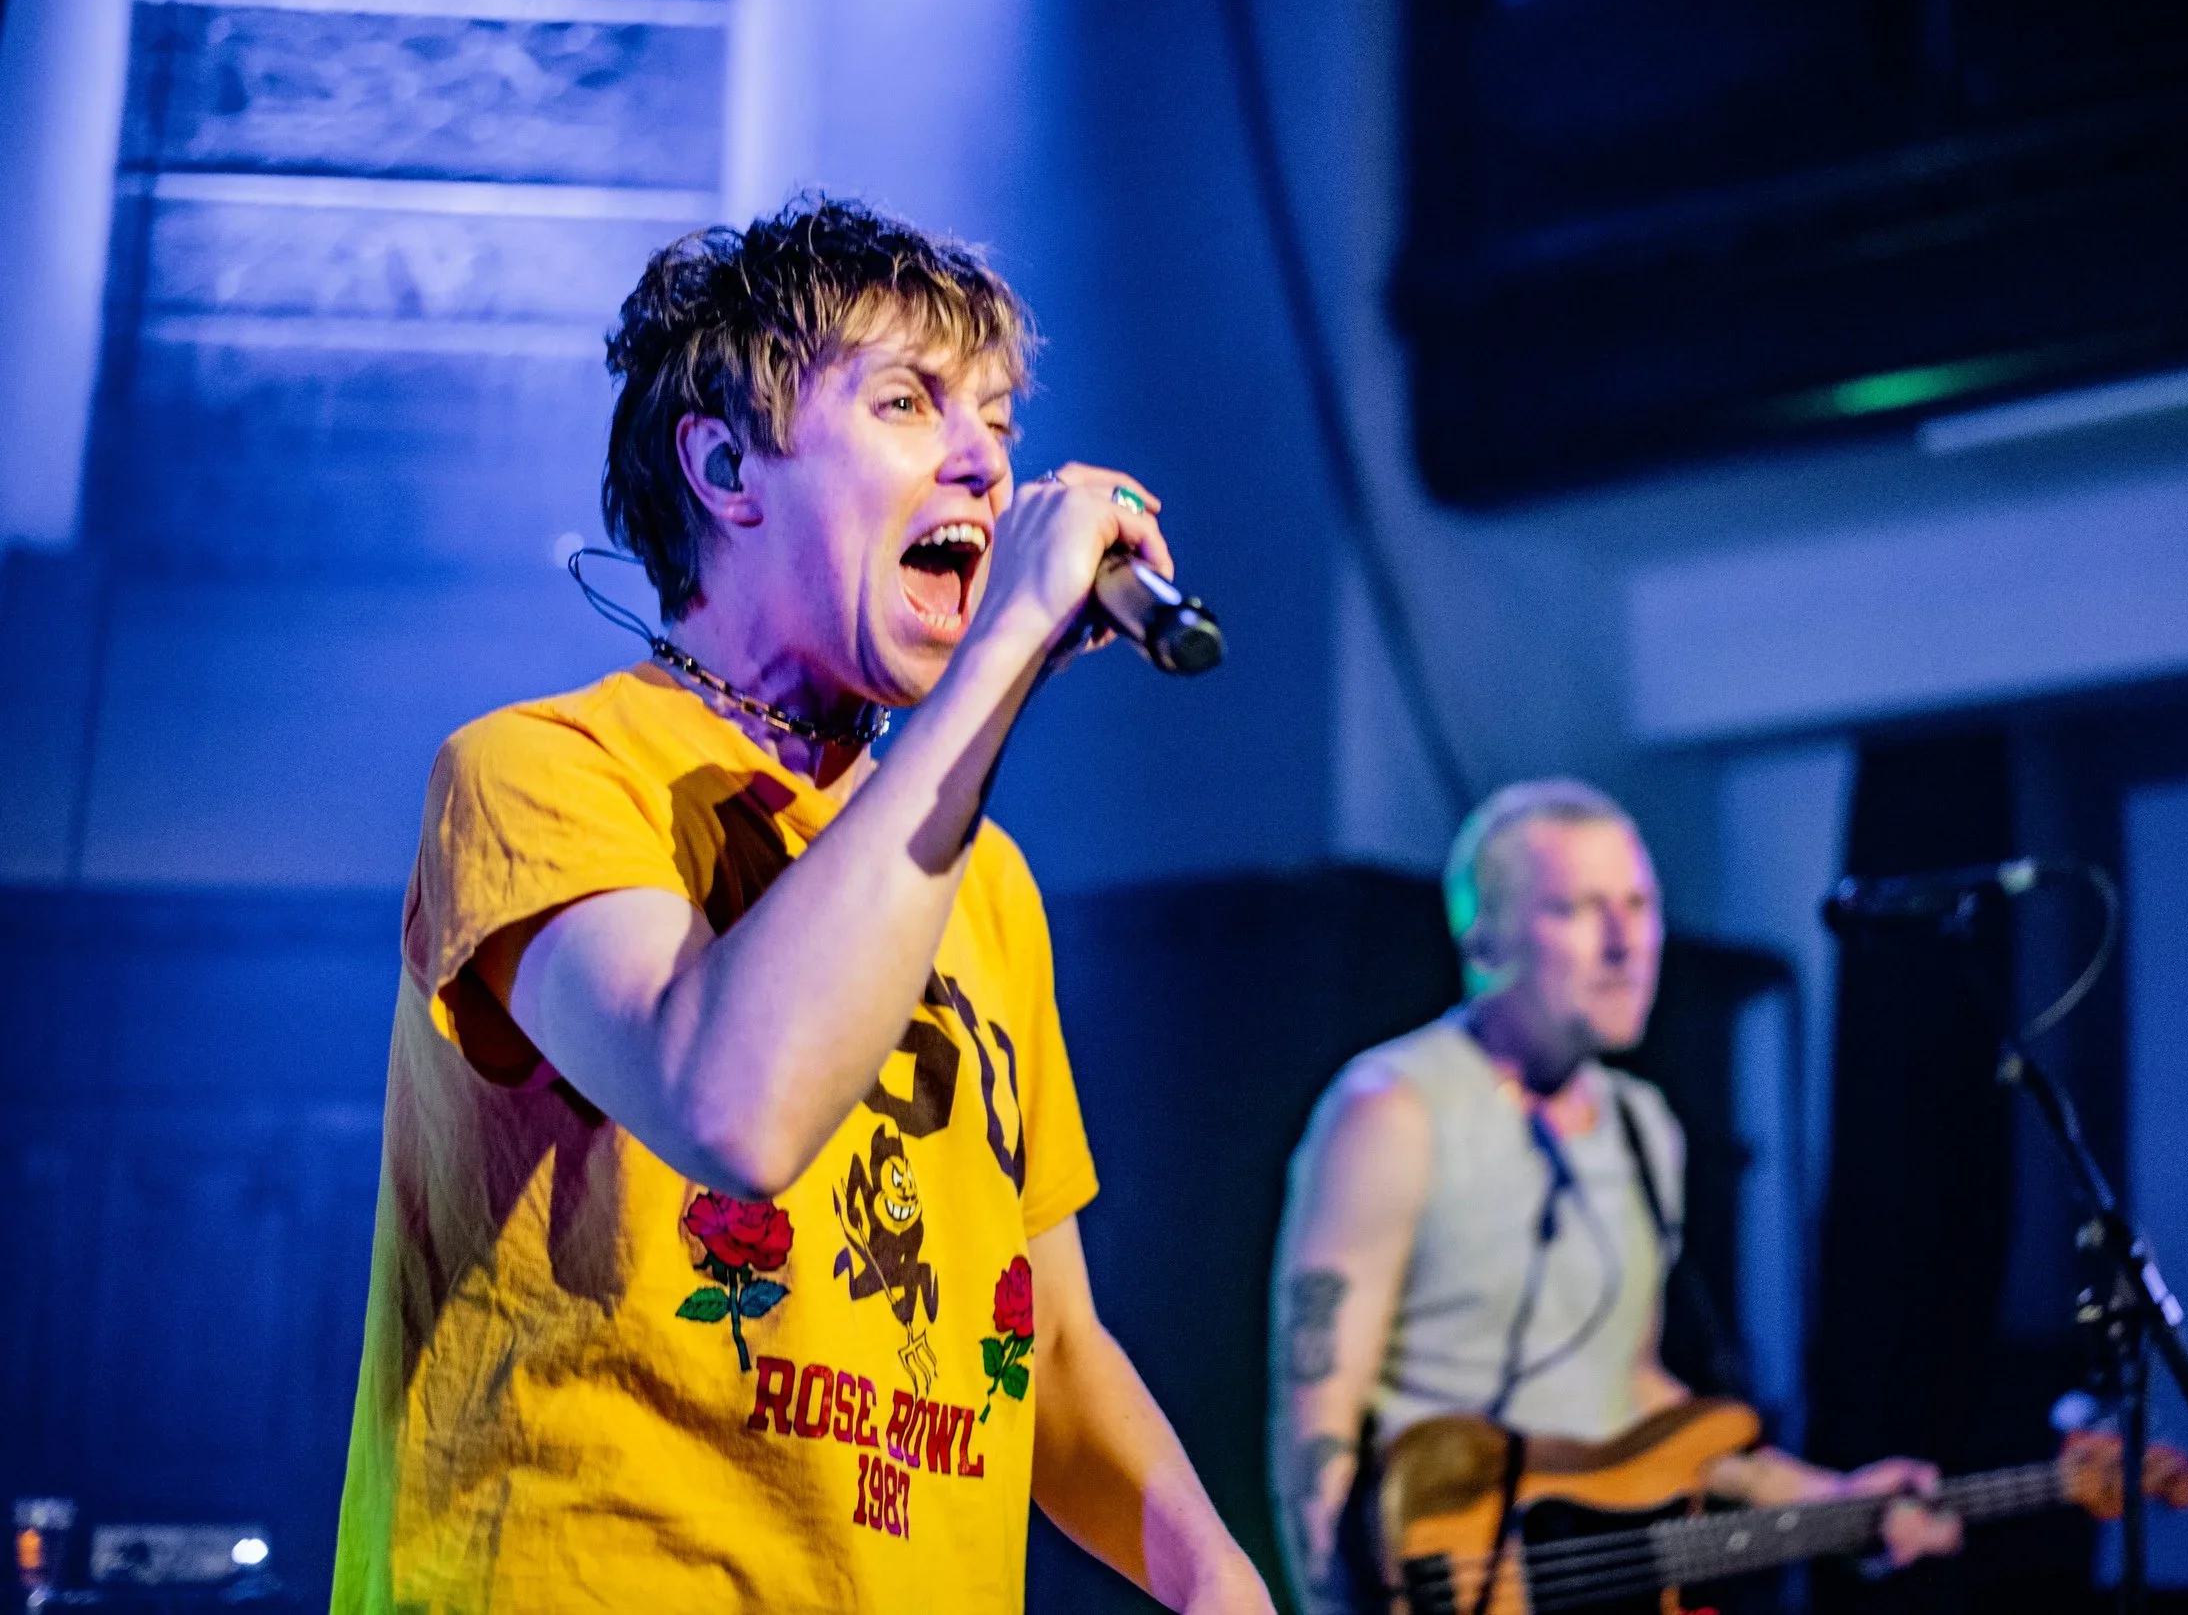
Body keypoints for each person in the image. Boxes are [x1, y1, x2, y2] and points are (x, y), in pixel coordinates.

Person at [334, 197, 1272, 1614]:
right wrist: (1005, 643)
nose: (986, 462)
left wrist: (1218, 1585)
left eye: (1002, 419)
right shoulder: (545, 770)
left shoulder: (981, 879)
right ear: (724, 465)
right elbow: (737, 1106)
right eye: (909, 401)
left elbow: (1050, 1342)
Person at [1267, 779, 1962, 1613]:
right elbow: (1317, 1403)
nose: (1625, 941)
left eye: (1639, 904)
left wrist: (1825, 1496)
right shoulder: (1392, 1108)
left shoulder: (1642, 1124)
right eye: (1578, 907)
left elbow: (1630, 1391)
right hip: (1451, 1564)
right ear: (1484, 938)